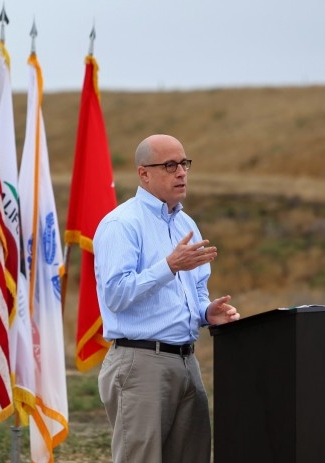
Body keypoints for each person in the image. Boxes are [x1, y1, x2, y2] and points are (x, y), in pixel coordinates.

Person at [93, 134, 240, 463]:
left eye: (184, 164)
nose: (181, 173)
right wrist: (168, 266)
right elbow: (115, 295)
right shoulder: (122, 224)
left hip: (186, 362)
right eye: (170, 165)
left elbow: (196, 289)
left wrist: (207, 312)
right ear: (144, 173)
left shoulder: (186, 224)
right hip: (141, 363)